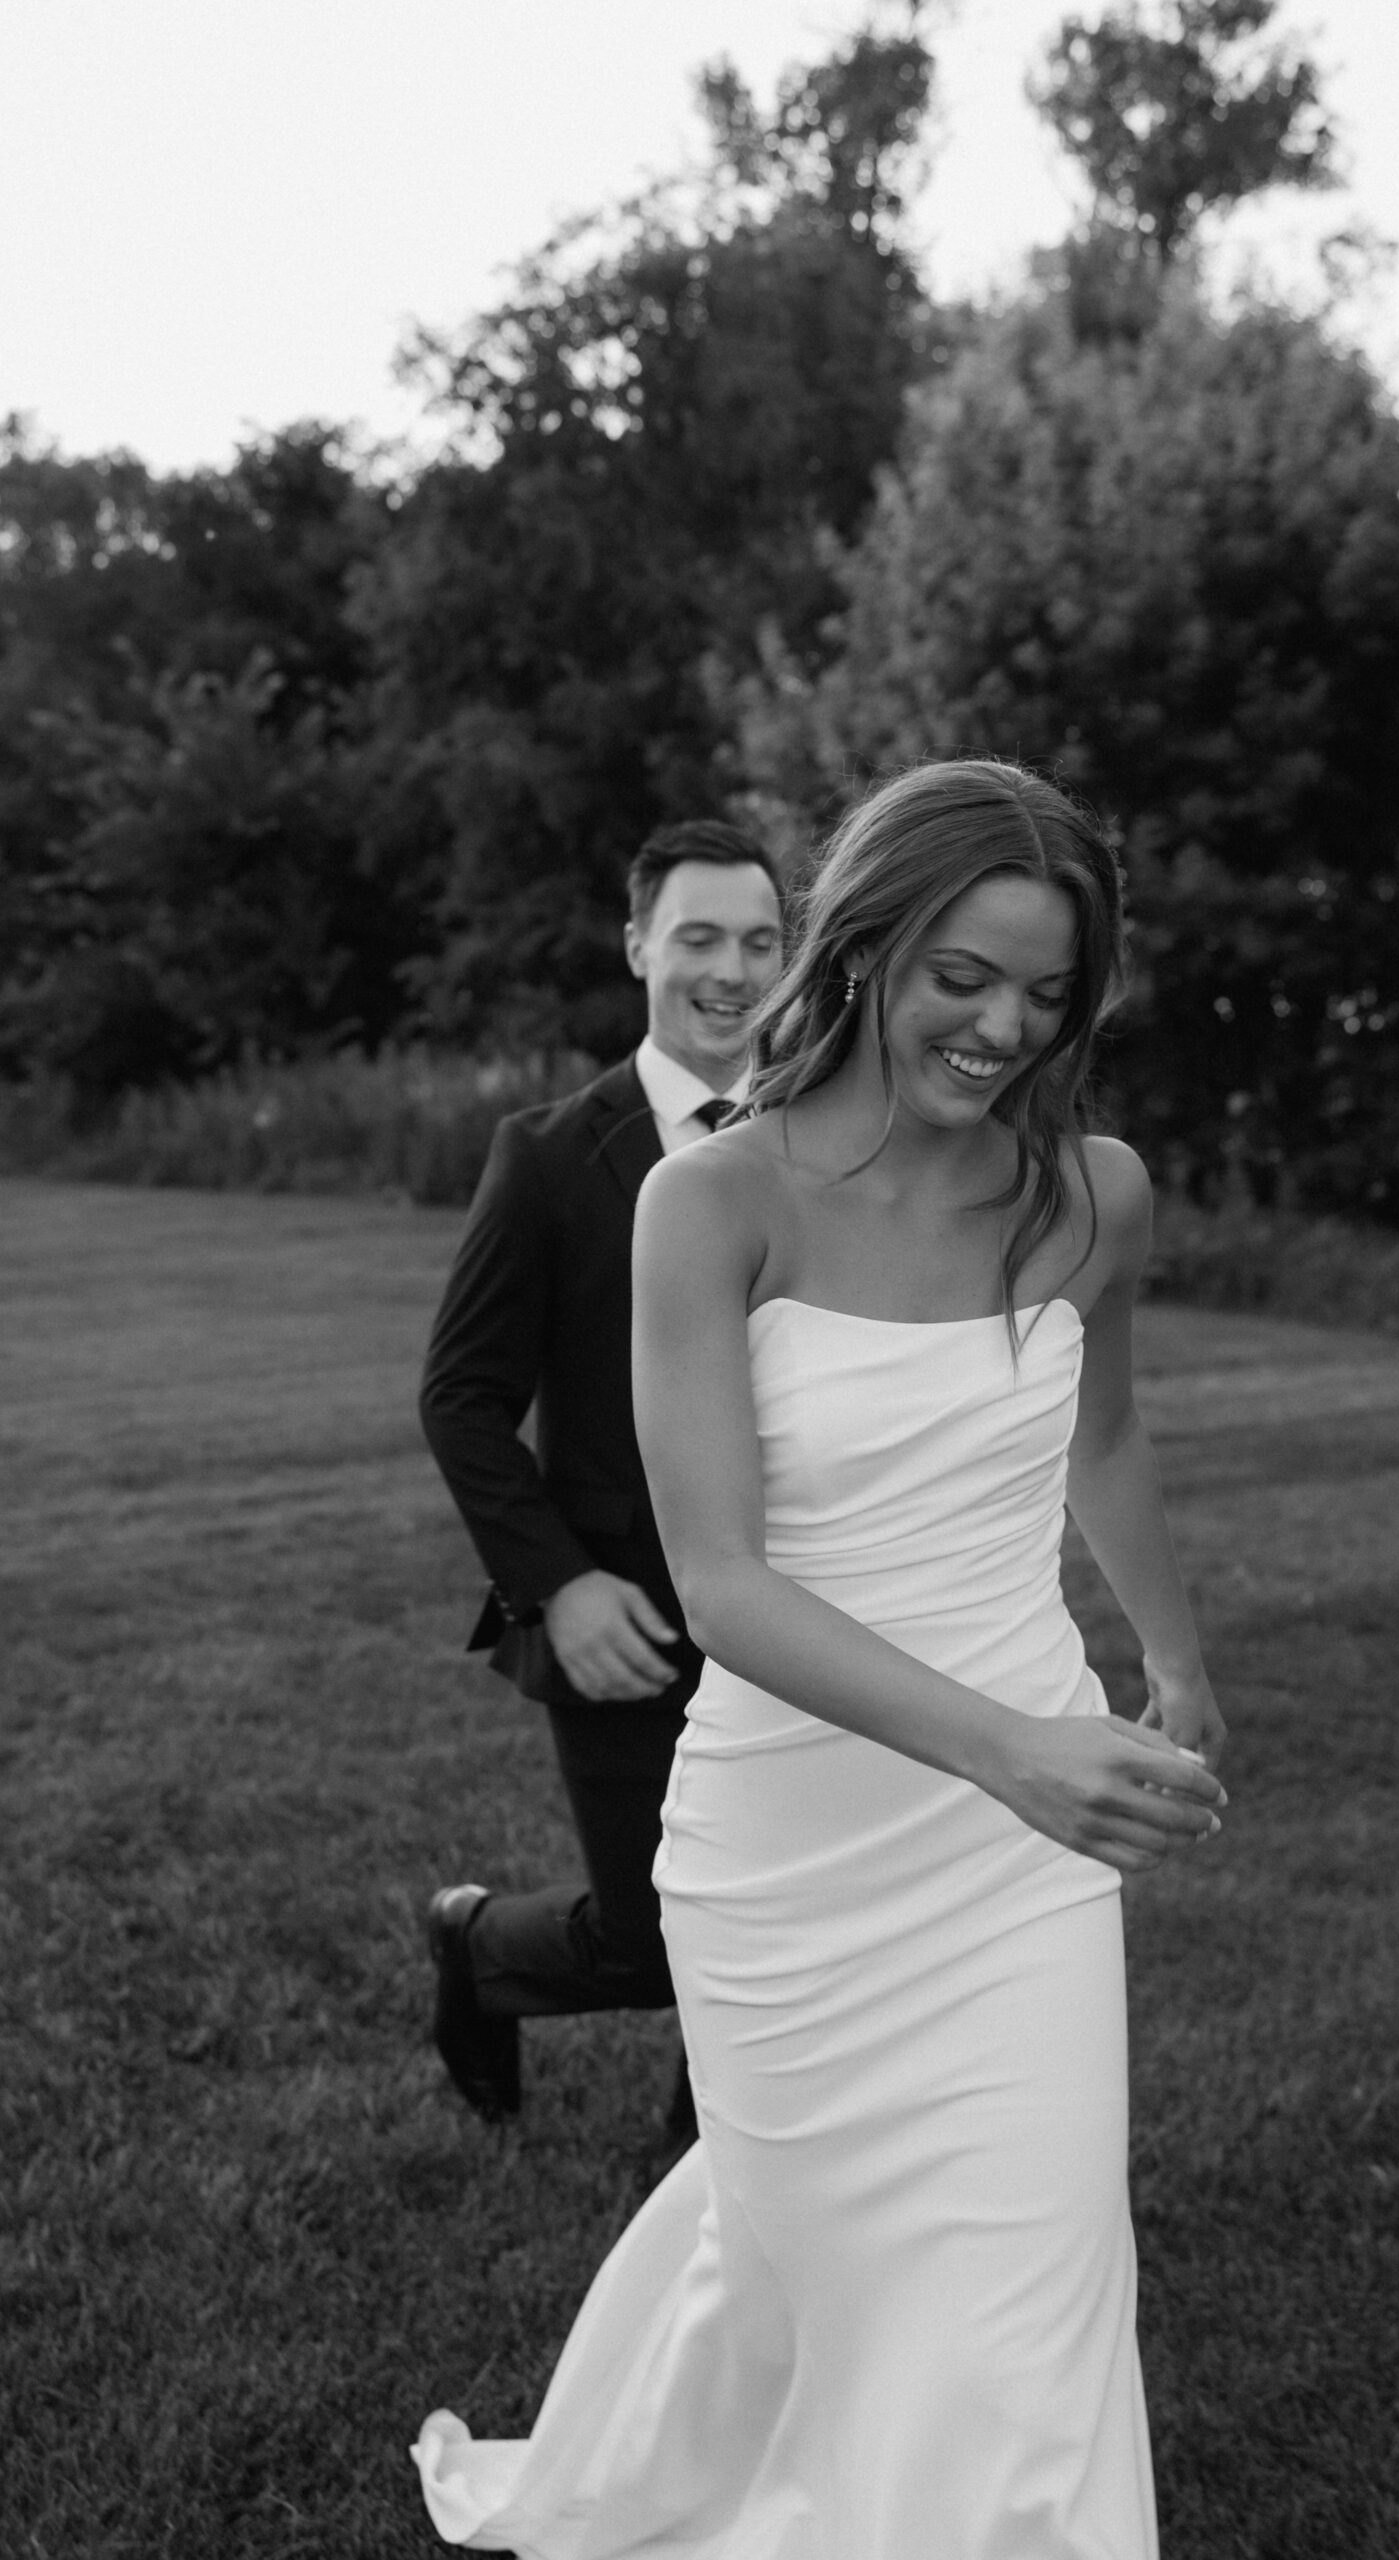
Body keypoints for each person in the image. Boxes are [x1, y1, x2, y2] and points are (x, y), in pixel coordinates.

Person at [414, 759, 1228, 2558]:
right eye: (964, 977)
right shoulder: (712, 1201)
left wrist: (1170, 1659)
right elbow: (720, 1585)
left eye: (1047, 992)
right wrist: (1012, 1748)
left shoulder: (1094, 1190)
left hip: (1018, 1860)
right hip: (790, 1842)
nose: (1004, 1028)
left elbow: (1102, 1439)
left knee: (1028, 2289)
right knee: (813, 2262)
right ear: (865, 946)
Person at [418, 819, 784, 2137]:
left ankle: (710, 2179)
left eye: (761, 941)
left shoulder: (830, 1141)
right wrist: (559, 1586)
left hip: (804, 1604)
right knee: (652, 1941)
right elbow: (461, 1399)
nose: (731, 971)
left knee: (773, 1923)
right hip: (629, 1618)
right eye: (700, 938)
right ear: (637, 945)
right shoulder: (554, 1156)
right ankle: (476, 1944)